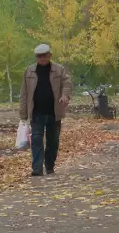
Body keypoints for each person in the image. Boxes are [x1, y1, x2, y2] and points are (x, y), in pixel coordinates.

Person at [19, 44, 72, 176]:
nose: (42, 58)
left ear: (50, 55)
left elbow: (67, 84)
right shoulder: (29, 71)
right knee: (36, 139)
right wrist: (23, 113)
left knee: (52, 141)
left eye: (44, 55)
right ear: (36, 57)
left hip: (54, 112)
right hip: (36, 112)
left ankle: (49, 165)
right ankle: (36, 168)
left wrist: (65, 95)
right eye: (39, 56)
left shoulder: (59, 69)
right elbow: (24, 93)